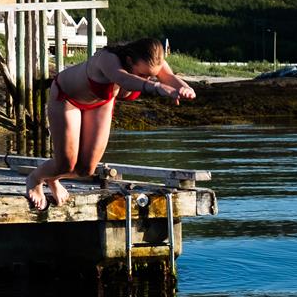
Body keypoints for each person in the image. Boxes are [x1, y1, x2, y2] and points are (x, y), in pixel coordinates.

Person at [25, 37, 195, 211]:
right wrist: (157, 87)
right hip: (68, 98)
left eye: (152, 75)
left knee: (86, 169)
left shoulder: (151, 62)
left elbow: (170, 78)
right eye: (144, 75)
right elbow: (125, 80)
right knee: (66, 163)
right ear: (129, 61)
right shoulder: (108, 58)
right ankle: (35, 178)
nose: (149, 77)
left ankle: (53, 178)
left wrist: (185, 89)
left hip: (100, 103)